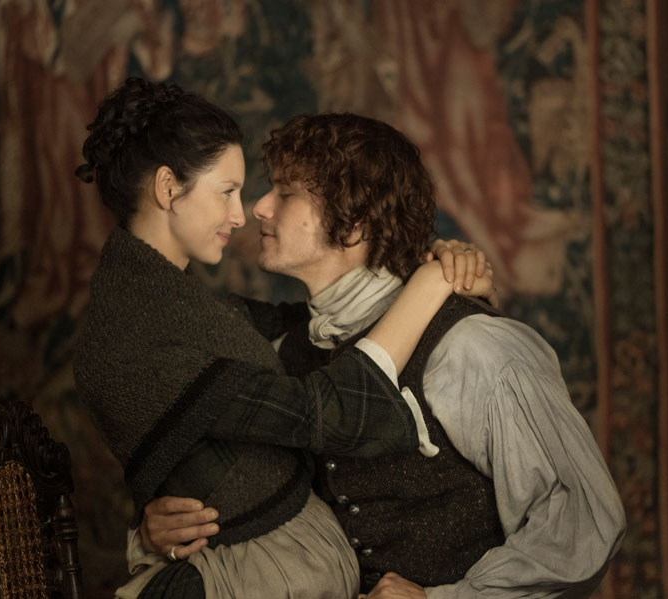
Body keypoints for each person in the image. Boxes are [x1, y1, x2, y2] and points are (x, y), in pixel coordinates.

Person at [141, 113, 627, 598]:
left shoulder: (473, 347)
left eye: (286, 193)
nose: (259, 208)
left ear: (354, 225)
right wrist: (157, 536)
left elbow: (584, 525)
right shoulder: (285, 348)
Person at [73, 79, 493, 599]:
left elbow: (316, 322)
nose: (242, 211)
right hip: (248, 578)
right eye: (227, 191)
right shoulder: (140, 329)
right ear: (167, 188)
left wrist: (435, 266)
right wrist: (430, 286)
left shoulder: (164, 300)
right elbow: (335, 414)